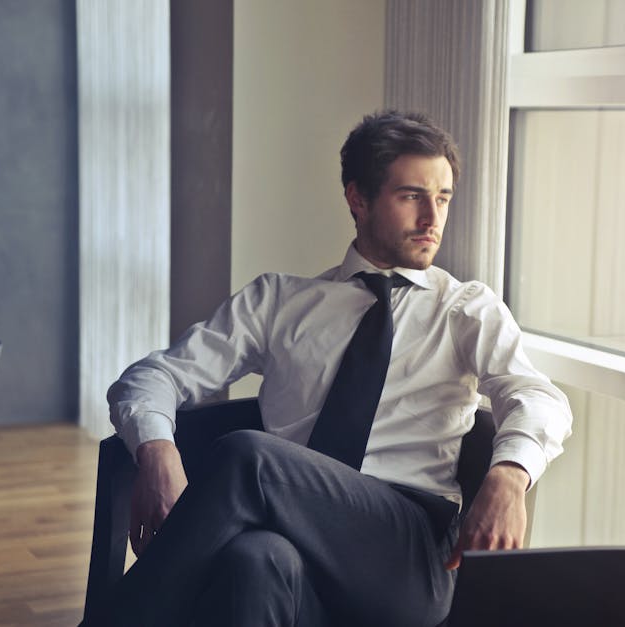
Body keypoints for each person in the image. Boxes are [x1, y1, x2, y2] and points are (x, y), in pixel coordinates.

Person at [83, 110, 572, 627]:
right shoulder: (280, 301)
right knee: (256, 562)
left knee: (247, 457)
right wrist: (157, 450)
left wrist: (511, 474)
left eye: (443, 198)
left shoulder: (465, 309)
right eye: (412, 196)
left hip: (403, 554)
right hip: (292, 547)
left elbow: (539, 398)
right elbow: (150, 377)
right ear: (357, 199)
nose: (433, 218)